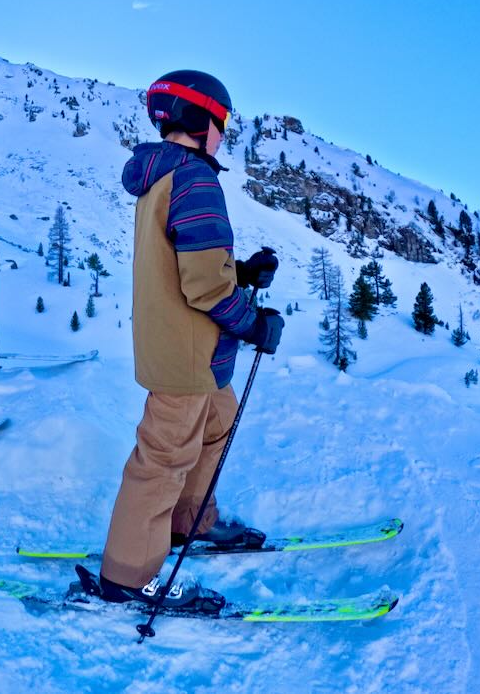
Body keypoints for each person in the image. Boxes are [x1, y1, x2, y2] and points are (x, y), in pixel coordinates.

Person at [96, 69, 283, 607]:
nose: (224, 134)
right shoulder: (195, 179)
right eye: (221, 122)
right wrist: (255, 324)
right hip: (186, 352)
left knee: (216, 423)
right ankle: (128, 576)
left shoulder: (168, 175)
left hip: (193, 348)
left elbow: (190, 261)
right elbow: (204, 286)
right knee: (164, 457)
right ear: (199, 118)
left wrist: (241, 273)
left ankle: (189, 522)